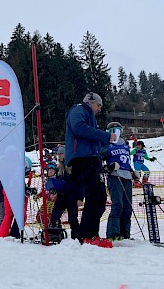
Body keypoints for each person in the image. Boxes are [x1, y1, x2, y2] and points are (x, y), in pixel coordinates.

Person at [65, 92, 116, 248]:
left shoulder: (90, 117)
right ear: (91, 102)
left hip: (91, 158)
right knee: (95, 194)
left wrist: (107, 145)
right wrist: (105, 136)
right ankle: (88, 235)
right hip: (83, 158)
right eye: (98, 105)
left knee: (99, 196)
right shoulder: (79, 109)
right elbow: (79, 128)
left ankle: (89, 234)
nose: (99, 109)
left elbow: (92, 140)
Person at [101, 122, 133, 241]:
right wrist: (108, 168)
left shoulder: (124, 144)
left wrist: (132, 171)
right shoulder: (106, 144)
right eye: (115, 130)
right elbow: (99, 159)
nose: (117, 132)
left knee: (127, 206)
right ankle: (113, 233)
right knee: (118, 204)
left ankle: (125, 234)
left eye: (119, 130)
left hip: (127, 177)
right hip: (115, 176)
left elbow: (126, 161)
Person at [47, 145, 80, 240]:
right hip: (61, 196)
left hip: (72, 195)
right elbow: (53, 182)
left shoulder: (73, 167)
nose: (59, 156)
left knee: (72, 218)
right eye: (58, 154)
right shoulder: (59, 169)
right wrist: (52, 189)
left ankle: (76, 237)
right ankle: (54, 234)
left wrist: (80, 197)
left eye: (61, 154)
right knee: (55, 215)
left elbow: (78, 182)